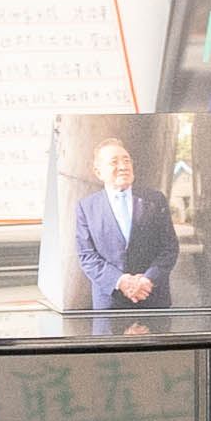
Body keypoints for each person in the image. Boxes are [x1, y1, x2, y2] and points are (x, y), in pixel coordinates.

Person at [71, 130, 177, 310]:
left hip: (153, 298)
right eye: (114, 162)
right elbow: (87, 255)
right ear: (98, 172)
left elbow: (169, 247)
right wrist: (120, 281)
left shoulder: (154, 200)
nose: (123, 166)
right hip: (109, 301)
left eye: (127, 160)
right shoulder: (87, 207)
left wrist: (148, 280)